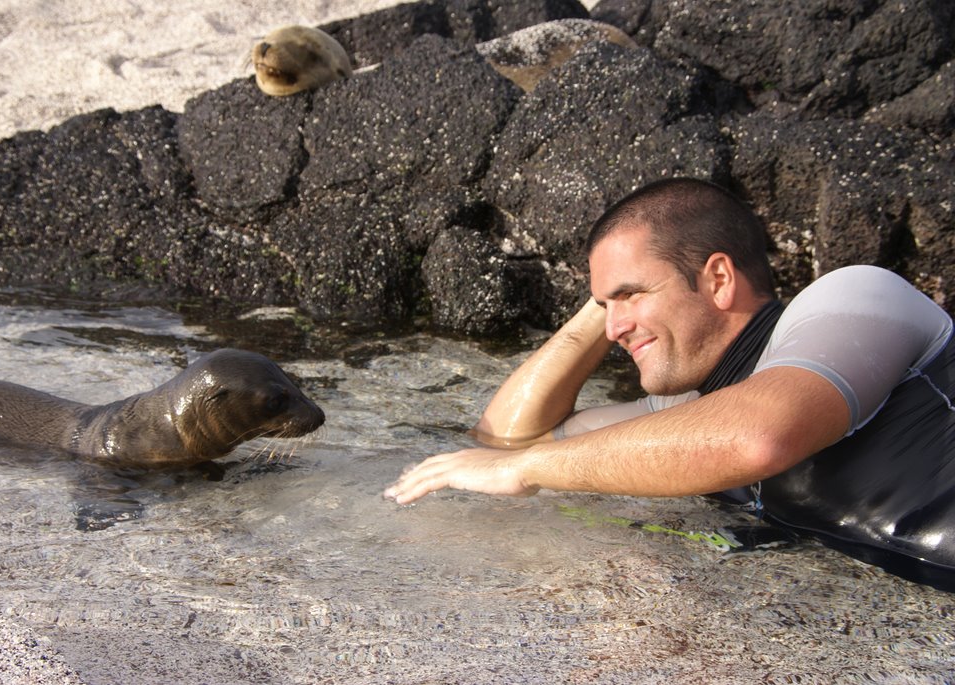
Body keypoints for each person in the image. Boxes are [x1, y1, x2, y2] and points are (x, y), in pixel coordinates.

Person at [384, 177, 955, 591]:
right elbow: (506, 440)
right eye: (602, 305)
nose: (613, 327)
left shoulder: (856, 297)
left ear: (719, 279)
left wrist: (524, 470)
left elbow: (759, 435)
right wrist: (606, 302)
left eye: (632, 294)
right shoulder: (683, 412)